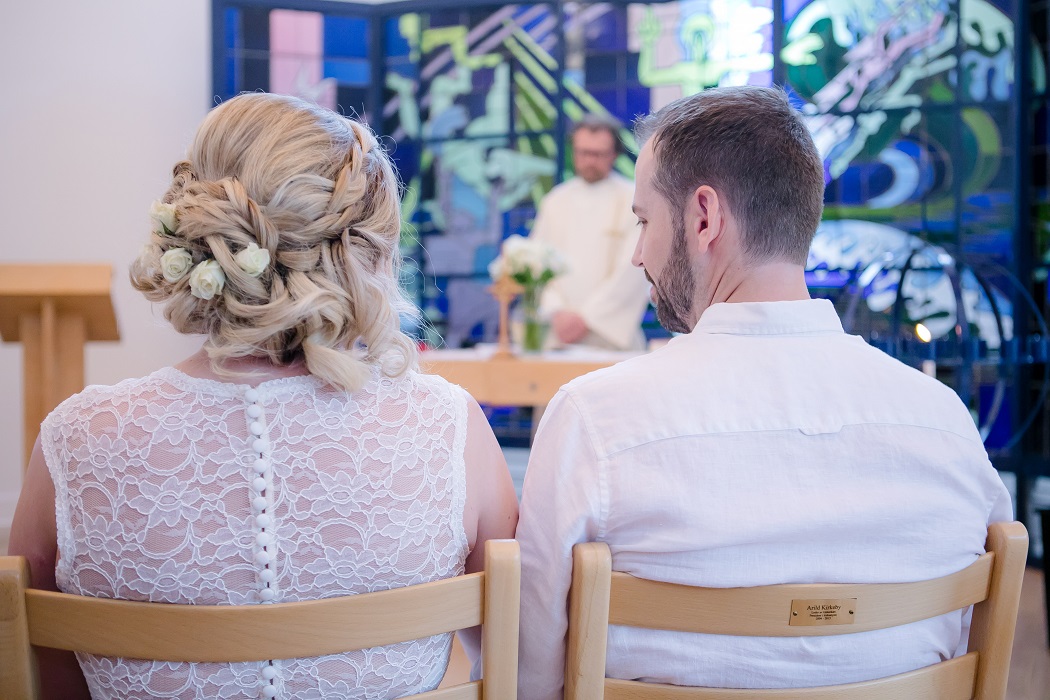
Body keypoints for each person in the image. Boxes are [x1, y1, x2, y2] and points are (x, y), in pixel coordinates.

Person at [8, 92, 518, 700]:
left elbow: (44, 677)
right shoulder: (448, 429)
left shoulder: (76, 440)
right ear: (368, 253)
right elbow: (515, 657)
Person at [515, 86, 1012, 698]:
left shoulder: (595, 419)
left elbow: (528, 670)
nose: (639, 255)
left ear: (704, 217)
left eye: (644, 222)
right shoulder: (945, 422)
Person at [529, 115, 651, 351]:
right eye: (582, 152)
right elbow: (537, 264)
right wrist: (556, 311)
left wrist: (587, 318)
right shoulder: (556, 200)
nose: (589, 161)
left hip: (610, 336)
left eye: (598, 154)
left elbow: (635, 268)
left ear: (614, 154)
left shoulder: (633, 198)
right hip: (558, 333)